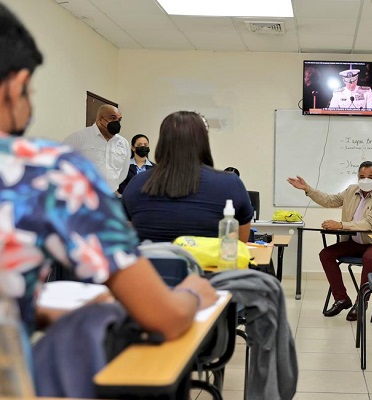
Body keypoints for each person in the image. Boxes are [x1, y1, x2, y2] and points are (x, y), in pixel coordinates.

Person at [0, 0, 217, 380]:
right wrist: (194, 294)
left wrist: (36, 310)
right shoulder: (47, 171)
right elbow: (161, 316)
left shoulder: (118, 153)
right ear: (16, 85)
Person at [287, 161, 372, 321]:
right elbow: (330, 201)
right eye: (362, 177)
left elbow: (370, 223)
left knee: (370, 258)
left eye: (371, 177)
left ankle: (361, 302)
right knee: (326, 254)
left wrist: (340, 225)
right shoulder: (352, 190)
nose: (366, 180)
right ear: (357, 177)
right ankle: (341, 299)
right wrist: (308, 190)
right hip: (356, 242)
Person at [123, 111, 254, 243]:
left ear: (162, 143)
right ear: (204, 142)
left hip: (151, 263)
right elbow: (239, 246)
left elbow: (126, 240)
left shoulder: (136, 184)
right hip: (208, 263)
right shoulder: (230, 184)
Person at [63, 104, 130, 192]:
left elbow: (124, 171)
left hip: (109, 196)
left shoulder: (123, 143)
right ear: (100, 119)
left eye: (119, 120)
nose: (116, 122)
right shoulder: (79, 137)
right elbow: (61, 163)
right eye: (112, 118)